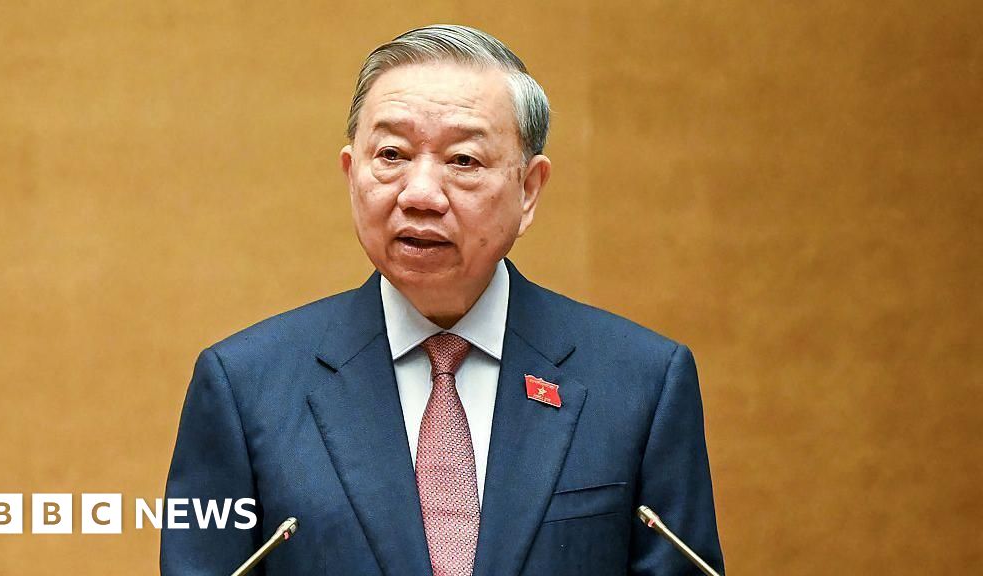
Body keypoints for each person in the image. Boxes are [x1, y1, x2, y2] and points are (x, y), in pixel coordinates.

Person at [161, 24, 724, 576]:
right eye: (391, 154)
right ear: (352, 174)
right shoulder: (244, 388)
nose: (421, 194)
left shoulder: (641, 383)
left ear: (529, 190)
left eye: (463, 161)